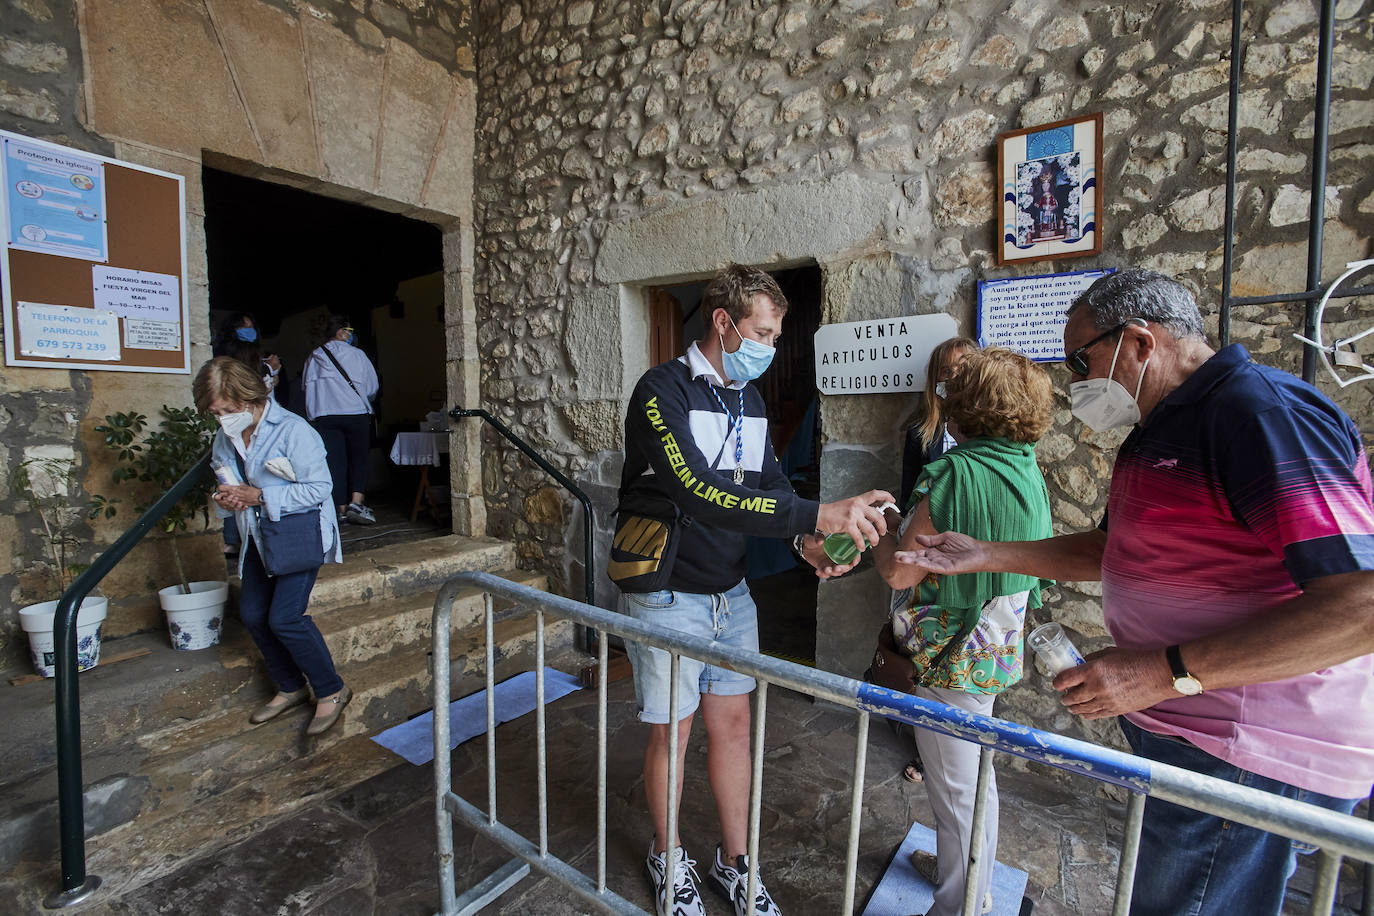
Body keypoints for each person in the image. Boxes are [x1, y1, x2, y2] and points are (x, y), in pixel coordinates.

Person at [896, 269, 1374, 916]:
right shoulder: (1163, 429)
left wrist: (1165, 672)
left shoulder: (1259, 414)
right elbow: (1108, 550)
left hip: (1245, 745)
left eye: (1080, 358)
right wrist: (984, 555)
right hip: (1201, 737)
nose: (1073, 380)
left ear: (1141, 342)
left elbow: (1361, 603)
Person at [614, 263, 893, 916]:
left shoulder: (750, 399)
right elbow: (698, 492)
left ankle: (735, 863)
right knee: (673, 735)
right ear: (722, 323)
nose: (768, 348)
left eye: (773, 335)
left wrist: (806, 542)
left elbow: (766, 485)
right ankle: (667, 855)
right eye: (761, 333)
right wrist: (816, 514)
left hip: (730, 594)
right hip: (666, 592)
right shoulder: (662, 390)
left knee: (735, 729)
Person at [874, 347, 1053, 916]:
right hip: (994, 643)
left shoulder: (957, 472)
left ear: (970, 405)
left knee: (957, 788)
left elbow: (900, 568)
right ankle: (962, 874)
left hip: (950, 650)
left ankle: (961, 904)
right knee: (972, 776)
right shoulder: (1024, 464)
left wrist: (882, 524)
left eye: (955, 389)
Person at [195, 356, 351, 736]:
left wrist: (259, 496)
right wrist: (227, 500)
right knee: (251, 614)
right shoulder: (224, 437)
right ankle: (291, 686)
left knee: (285, 618)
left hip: (297, 535)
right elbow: (226, 483)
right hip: (257, 537)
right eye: (214, 413)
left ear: (251, 397)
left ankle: (331, 689)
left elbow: (319, 490)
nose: (222, 420)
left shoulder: (294, 431)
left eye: (228, 411)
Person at [894, 336, 977, 785]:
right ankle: (925, 747)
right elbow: (910, 494)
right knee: (922, 648)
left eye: (963, 369)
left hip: (970, 558)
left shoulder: (990, 432)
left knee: (961, 652)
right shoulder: (920, 431)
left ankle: (958, 750)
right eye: (945, 372)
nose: (953, 379)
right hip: (925, 553)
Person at [303, 315, 380, 526]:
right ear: (340, 332)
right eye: (349, 330)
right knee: (358, 459)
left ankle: (341, 510)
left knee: (334, 463)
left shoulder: (314, 357)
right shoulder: (357, 355)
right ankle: (356, 502)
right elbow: (372, 387)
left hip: (325, 416)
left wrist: (313, 416)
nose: (350, 334)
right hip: (355, 413)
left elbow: (307, 388)